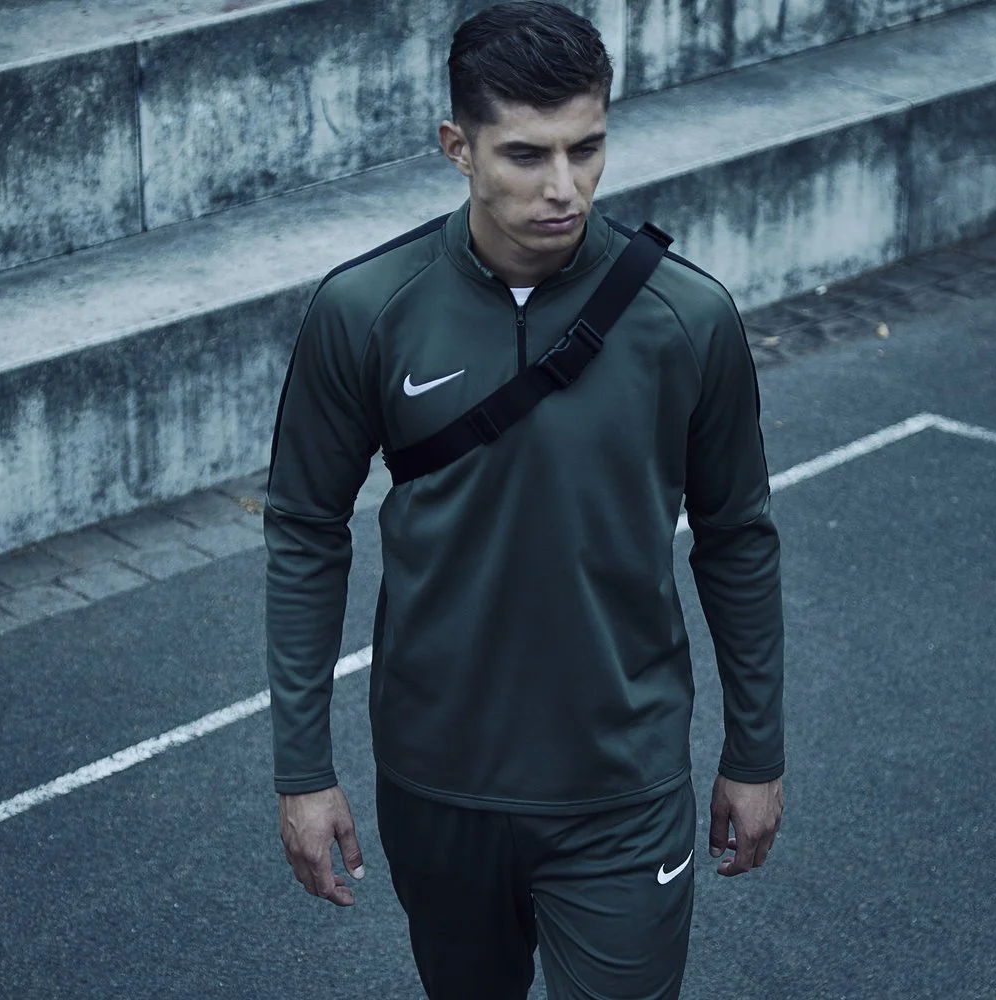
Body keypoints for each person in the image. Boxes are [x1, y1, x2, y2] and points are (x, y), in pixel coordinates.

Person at [264, 3, 785, 996]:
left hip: (621, 783)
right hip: (439, 784)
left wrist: (756, 750)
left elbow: (738, 539)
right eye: (525, 154)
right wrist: (303, 769)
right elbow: (302, 529)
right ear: (456, 148)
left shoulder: (689, 318)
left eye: (586, 148)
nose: (564, 187)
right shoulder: (366, 310)